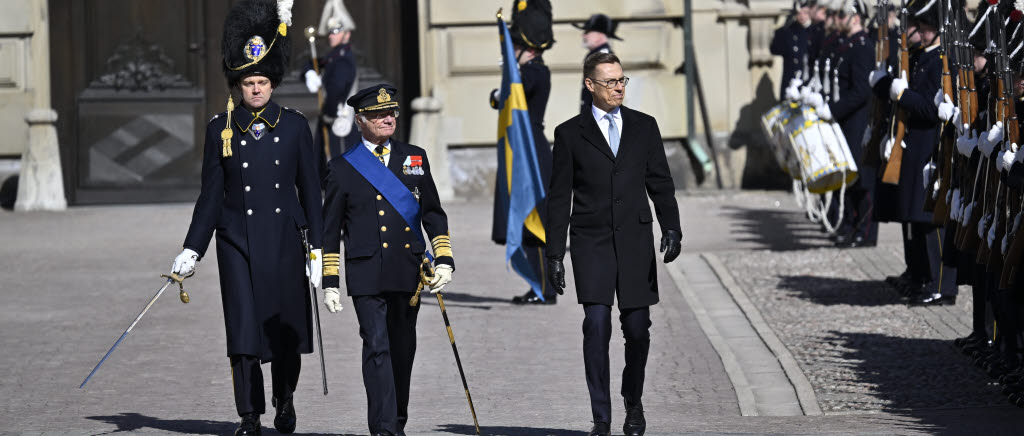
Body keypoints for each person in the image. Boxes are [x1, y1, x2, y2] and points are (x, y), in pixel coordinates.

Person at [169, 1, 322, 435]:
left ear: (272, 82)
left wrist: (321, 251)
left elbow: (311, 190)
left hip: (285, 241)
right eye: (248, 82)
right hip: (236, 240)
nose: (256, 89)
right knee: (243, 335)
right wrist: (191, 248)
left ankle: (284, 398)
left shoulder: (294, 126)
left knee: (285, 332)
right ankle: (249, 414)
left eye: (262, 81)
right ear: (237, 85)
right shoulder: (220, 128)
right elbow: (210, 195)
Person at [546, 52, 682, 436]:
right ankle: (601, 418)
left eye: (622, 81)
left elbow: (661, 183)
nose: (619, 88)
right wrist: (554, 254)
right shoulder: (570, 133)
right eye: (611, 82)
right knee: (597, 323)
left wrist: (671, 227)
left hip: (636, 239)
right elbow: (558, 198)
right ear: (590, 85)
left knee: (638, 329)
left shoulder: (644, 127)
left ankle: (633, 400)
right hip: (592, 240)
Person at [321, 84, 455, 436]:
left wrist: (443, 259)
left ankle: (397, 420)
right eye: (378, 115)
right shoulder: (342, 168)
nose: (387, 119)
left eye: (390, 112)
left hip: (406, 268)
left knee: (402, 348)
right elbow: (330, 229)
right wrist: (331, 283)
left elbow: (433, 215)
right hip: (366, 270)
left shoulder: (414, 157)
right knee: (376, 345)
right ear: (360, 120)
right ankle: (383, 428)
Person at [870, 0, 957, 303]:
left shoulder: (939, 62)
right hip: (913, 147)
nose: (919, 31)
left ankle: (941, 286)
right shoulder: (923, 58)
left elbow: (931, 111)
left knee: (931, 223)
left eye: (925, 27)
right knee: (913, 220)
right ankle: (921, 276)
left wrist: (904, 95)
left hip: (928, 148)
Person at [489, 0, 557, 304]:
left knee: (535, 222)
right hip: (523, 149)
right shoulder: (525, 72)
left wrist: (510, 73)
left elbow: (511, 92)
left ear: (529, 47)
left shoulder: (535, 73)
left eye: (517, 45)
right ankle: (540, 285)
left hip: (532, 153)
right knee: (526, 218)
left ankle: (545, 288)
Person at [805, 0, 878, 247]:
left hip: (856, 121)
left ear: (855, 18)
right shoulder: (847, 45)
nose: (836, 18)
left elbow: (860, 92)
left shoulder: (862, 47)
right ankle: (850, 224)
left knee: (860, 179)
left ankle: (865, 232)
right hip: (843, 120)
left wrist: (832, 109)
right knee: (847, 176)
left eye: (841, 15)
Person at [304, 0, 359, 177]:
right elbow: (313, 63)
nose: (331, 36)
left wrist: (328, 114)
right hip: (331, 117)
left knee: (339, 168)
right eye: (330, 32)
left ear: (347, 34)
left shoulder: (343, 59)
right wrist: (309, 73)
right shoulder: (333, 57)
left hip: (338, 119)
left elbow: (336, 90)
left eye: (336, 32)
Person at [574, 13, 621, 113]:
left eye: (588, 31)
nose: (584, 35)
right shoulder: (595, 55)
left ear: (600, 35)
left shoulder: (604, 57)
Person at [770, 0, 817, 98]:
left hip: (808, 81)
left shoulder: (815, 31)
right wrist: (787, 23)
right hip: (790, 80)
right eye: (799, 13)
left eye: (805, 13)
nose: (802, 16)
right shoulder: (789, 31)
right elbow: (774, 49)